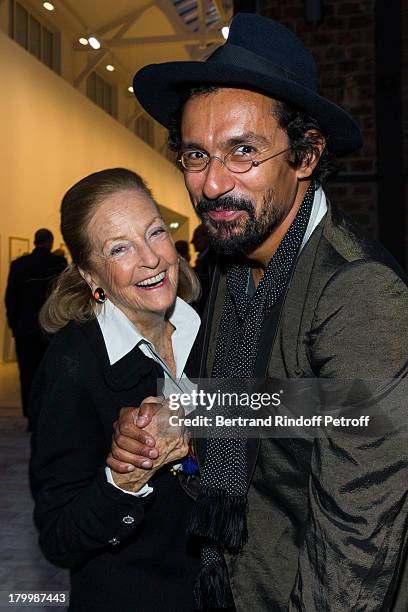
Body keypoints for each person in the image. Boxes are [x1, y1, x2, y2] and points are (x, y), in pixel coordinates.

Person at [110, 13, 408, 611]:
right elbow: (287, 403)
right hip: (231, 582)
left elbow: (355, 550)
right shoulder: (236, 257)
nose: (213, 184)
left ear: (304, 156)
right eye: (196, 155)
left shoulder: (360, 292)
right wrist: (178, 418)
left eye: (242, 151)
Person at [29, 168, 202, 611]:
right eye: (120, 248)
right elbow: (59, 540)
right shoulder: (73, 365)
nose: (151, 258)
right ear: (91, 276)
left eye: (155, 233)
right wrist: (125, 479)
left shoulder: (209, 325)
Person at [5, 228, 66, 427]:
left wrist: (15, 325)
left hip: (25, 328)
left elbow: (10, 299)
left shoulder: (18, 265)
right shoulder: (57, 264)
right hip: (50, 328)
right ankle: (46, 415)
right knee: (49, 373)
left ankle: (31, 416)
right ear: (50, 242)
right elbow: (62, 299)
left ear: (34, 242)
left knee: (27, 373)